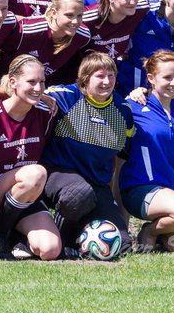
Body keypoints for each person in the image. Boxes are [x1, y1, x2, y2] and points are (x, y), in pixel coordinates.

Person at [41, 51, 135, 253]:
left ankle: (78, 239)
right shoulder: (66, 96)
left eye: (111, 75)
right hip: (57, 174)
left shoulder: (122, 110)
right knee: (78, 195)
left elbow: (123, 155)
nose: (106, 81)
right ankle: (59, 240)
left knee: (122, 244)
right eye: (99, 76)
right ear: (85, 78)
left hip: (95, 183)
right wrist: (42, 96)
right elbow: (29, 93)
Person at [0, 55, 62, 260]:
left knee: (50, 250)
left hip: (25, 193)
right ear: (13, 83)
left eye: (42, 82)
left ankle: (13, 234)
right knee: (36, 172)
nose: (38, 88)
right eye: (31, 82)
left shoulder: (45, 113)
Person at [120, 50, 174, 253]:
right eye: (167, 77)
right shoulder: (134, 106)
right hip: (141, 188)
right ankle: (149, 232)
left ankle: (161, 237)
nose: (173, 83)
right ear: (151, 78)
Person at [84, 0, 150, 92]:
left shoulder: (141, 8)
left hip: (109, 80)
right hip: (82, 79)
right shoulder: (88, 19)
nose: (132, 1)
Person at [12, 0, 92, 85]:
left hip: (39, 88)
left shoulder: (82, 36)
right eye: (69, 15)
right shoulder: (28, 31)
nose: (75, 21)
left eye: (79, 16)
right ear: (54, 13)